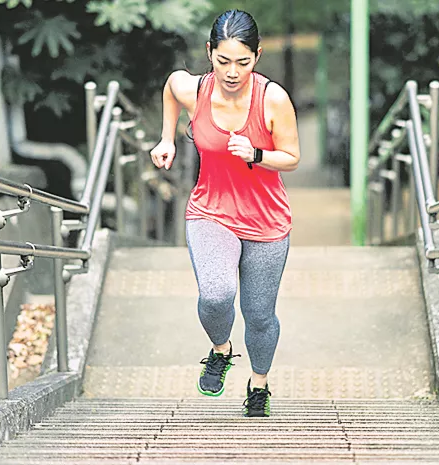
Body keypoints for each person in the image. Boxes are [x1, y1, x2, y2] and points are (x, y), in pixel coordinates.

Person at [149, 9, 300, 417]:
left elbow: (292, 157)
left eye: (243, 62)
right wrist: (167, 139)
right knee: (216, 295)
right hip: (210, 210)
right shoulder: (194, 90)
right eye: (223, 60)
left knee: (259, 315)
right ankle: (220, 349)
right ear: (209, 52)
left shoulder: (272, 98)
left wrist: (257, 154)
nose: (233, 72)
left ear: (258, 56)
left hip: (267, 221)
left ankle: (259, 384)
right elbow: (169, 86)